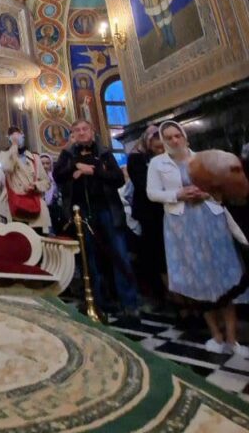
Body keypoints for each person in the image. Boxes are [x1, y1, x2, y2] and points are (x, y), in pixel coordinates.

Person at [146, 121, 248, 357]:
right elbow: (152, 193)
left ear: (185, 137)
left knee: (224, 277)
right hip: (182, 225)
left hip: (211, 220)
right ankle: (216, 336)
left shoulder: (201, 158)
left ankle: (232, 339)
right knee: (200, 280)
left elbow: (221, 184)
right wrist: (178, 194)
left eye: (177, 135)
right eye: (168, 137)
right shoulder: (158, 163)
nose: (174, 140)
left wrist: (206, 191)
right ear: (163, 141)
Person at [54, 118, 139, 318]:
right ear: (72, 135)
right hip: (82, 212)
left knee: (119, 256)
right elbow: (58, 176)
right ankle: (97, 302)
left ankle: (129, 303)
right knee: (90, 258)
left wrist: (92, 171)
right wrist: (72, 162)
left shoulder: (104, 153)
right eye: (77, 130)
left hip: (107, 209)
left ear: (92, 131)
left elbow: (118, 178)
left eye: (85, 129)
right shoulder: (69, 155)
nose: (81, 132)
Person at [127, 125, 166, 303]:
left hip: (168, 210)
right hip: (149, 212)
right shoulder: (137, 158)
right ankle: (160, 294)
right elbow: (142, 184)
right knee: (154, 253)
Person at [0, 125, 50, 232]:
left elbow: (46, 182)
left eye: (19, 136)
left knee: (36, 237)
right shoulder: (5, 155)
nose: (17, 139)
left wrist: (35, 186)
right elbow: (8, 167)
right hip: (14, 203)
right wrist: (14, 146)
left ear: (23, 137)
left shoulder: (35, 157)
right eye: (13, 137)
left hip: (34, 203)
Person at [40, 153, 60, 232]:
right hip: (40, 208)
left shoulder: (54, 177)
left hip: (53, 209)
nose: (45, 166)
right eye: (42, 163)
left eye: (47, 163)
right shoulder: (35, 177)